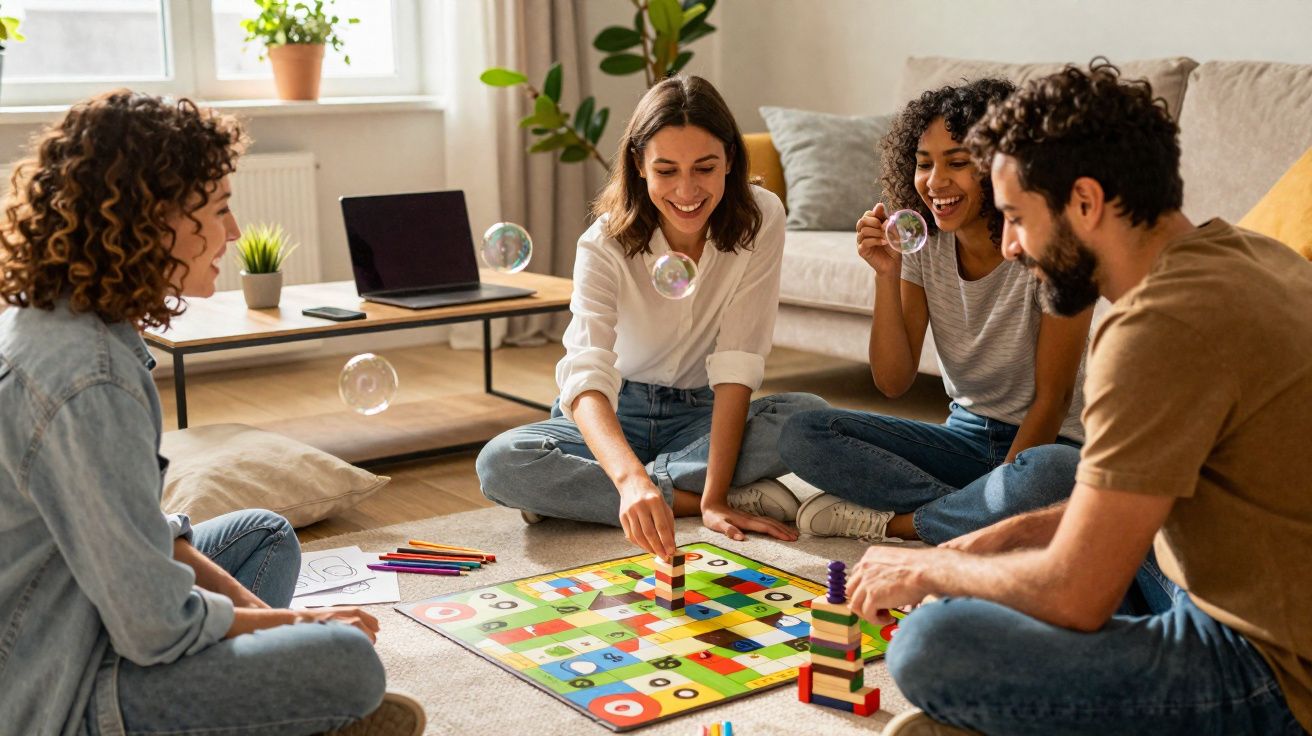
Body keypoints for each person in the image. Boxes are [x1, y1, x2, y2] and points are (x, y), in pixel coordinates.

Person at [852, 61, 1312, 736]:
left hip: (1271, 675)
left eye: (1015, 218)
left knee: (933, 645)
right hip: (1230, 578)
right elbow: (1121, 513)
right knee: (1063, 478)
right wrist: (967, 551)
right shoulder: (1243, 253)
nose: (1009, 247)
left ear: (1086, 202)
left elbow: (1077, 594)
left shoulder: (1155, 328)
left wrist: (937, 574)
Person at [0, 91, 423, 735]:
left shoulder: (85, 323)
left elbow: (149, 532)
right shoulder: (88, 378)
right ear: (150, 218)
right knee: (347, 664)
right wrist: (302, 627)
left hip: (87, 611)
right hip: (60, 681)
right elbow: (154, 625)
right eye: (220, 210)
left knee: (262, 534)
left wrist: (269, 630)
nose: (233, 233)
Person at [476, 76, 827, 558]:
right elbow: (586, 374)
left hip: (699, 416)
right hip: (615, 412)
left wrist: (717, 495)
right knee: (501, 462)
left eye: (705, 167)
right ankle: (668, 495)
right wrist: (630, 477)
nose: (687, 190)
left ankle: (589, 497)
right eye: (666, 170)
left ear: (730, 158)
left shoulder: (762, 216)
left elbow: (738, 360)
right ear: (639, 165)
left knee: (807, 416)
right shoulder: (603, 242)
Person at [779, 79, 1093, 545]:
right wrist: (886, 274)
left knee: (1052, 475)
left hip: (1047, 445)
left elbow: (1053, 400)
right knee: (803, 432)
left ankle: (904, 524)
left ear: (1001, 166)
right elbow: (892, 381)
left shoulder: (1053, 248)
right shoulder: (923, 245)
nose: (934, 181)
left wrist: (1007, 486)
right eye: (924, 164)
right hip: (964, 437)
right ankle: (976, 516)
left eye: (958, 163)